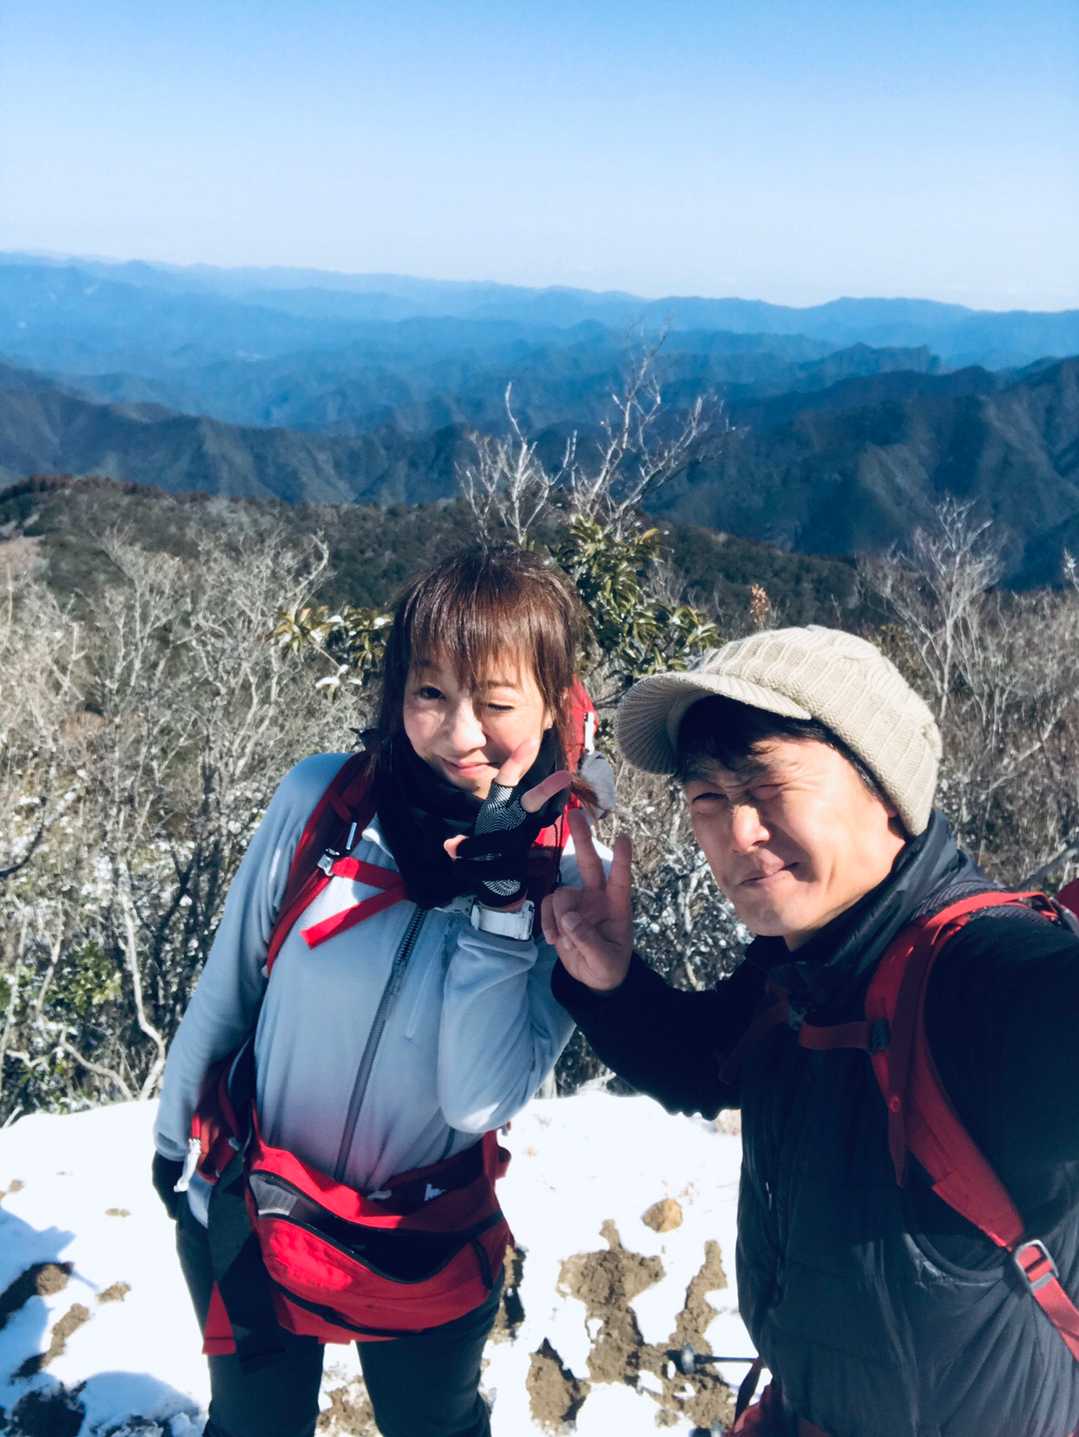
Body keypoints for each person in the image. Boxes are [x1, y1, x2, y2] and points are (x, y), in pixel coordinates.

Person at [542, 625, 1079, 1437]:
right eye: (707, 798)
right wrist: (612, 981)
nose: (738, 832)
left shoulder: (977, 978)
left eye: (768, 783)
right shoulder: (798, 965)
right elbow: (705, 1065)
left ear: (885, 789)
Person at [152, 545, 601, 1437]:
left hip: (418, 1240)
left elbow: (476, 1098)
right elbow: (231, 982)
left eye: (496, 702)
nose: (459, 732)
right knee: (250, 1428)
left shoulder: (567, 878)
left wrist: (499, 907)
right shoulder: (324, 801)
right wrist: (174, 1142)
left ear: (553, 703)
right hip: (255, 1199)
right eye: (430, 691)